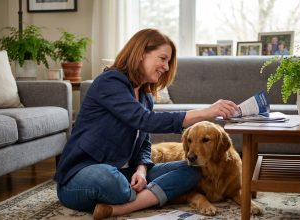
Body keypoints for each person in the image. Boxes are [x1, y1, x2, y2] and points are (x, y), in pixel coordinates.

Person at [54, 28, 238, 220]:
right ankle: (144, 197)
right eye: (162, 58)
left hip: (124, 174)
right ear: (141, 54)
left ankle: (118, 208)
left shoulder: (145, 97)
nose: (166, 67)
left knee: (191, 171)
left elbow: (144, 145)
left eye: (168, 62)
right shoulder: (109, 82)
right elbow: (145, 121)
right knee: (109, 180)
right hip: (81, 176)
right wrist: (207, 112)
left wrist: (141, 171)